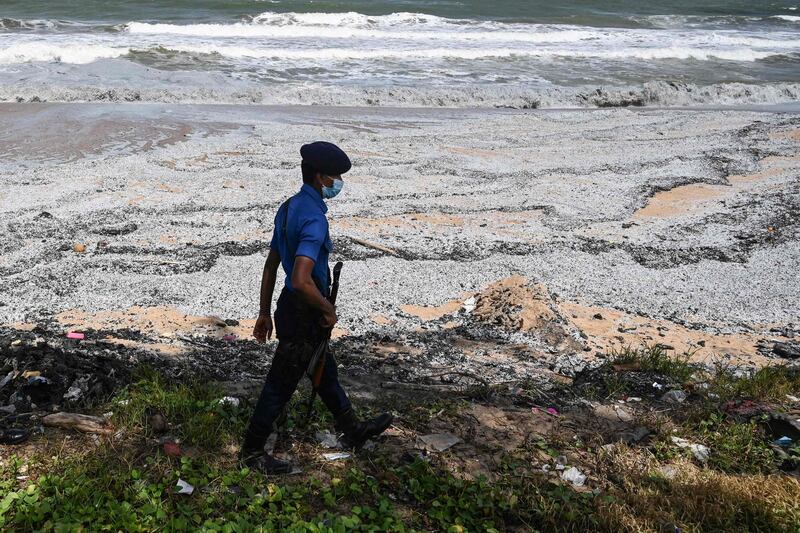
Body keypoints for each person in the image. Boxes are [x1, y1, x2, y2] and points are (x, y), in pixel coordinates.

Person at [240, 141, 393, 474]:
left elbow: (270, 265)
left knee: (324, 370)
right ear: (321, 178)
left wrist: (264, 312)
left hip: (287, 307)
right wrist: (328, 309)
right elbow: (300, 278)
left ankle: (352, 429)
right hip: (304, 310)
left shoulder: (288, 207)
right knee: (280, 383)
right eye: (335, 176)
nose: (338, 182)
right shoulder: (314, 220)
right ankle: (251, 452)